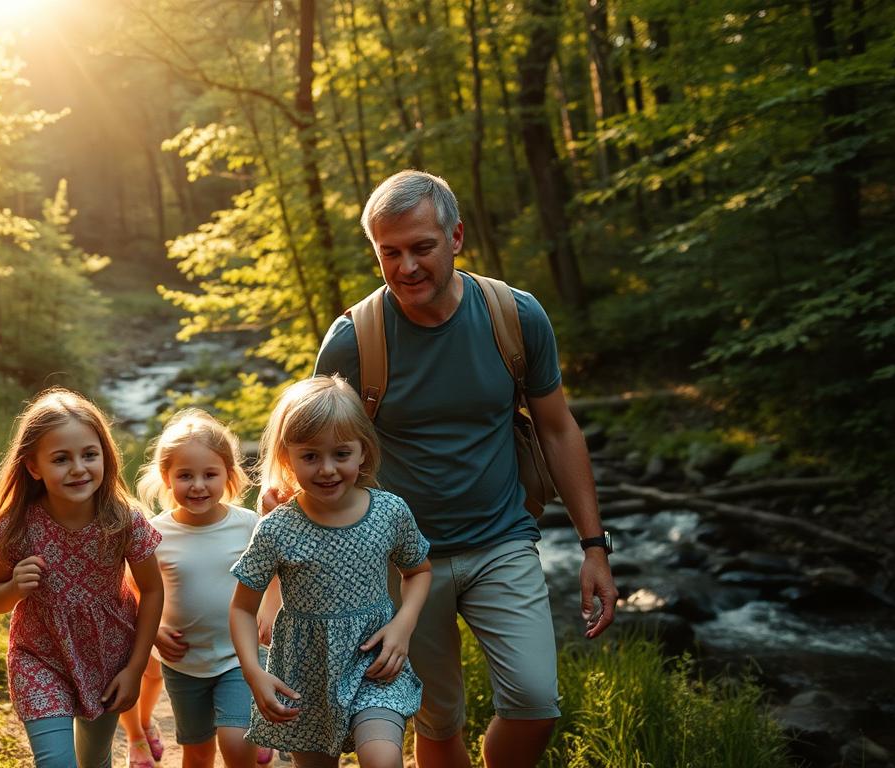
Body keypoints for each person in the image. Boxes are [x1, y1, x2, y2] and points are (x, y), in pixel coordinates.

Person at [309, 169, 618, 768]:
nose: (406, 267)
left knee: (535, 702)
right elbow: (317, 452)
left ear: (455, 238)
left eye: (421, 247)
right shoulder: (353, 340)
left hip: (503, 540)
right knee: (438, 715)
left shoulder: (514, 316)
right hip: (402, 560)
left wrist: (593, 548)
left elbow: (558, 428)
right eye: (389, 253)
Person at [231, 375, 433, 768]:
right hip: (305, 677)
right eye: (310, 456)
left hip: (374, 665)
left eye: (341, 454)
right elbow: (241, 607)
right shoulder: (276, 529)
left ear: (363, 451)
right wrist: (253, 672)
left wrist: (403, 625)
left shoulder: (390, 512)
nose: (327, 469)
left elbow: (419, 571)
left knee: (382, 760)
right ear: (287, 458)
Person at [0, 388, 164, 768]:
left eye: (89, 455)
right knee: (57, 762)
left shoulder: (123, 520)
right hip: (39, 658)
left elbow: (152, 589)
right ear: (34, 467)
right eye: (61, 459)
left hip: (108, 657)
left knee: (94, 759)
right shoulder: (15, 527)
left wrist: (135, 668)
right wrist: (12, 588)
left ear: (105, 455)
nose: (78, 468)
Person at [134, 408, 276, 768]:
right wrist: (154, 630)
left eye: (209, 474)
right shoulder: (155, 533)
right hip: (183, 661)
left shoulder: (249, 525)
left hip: (240, 656)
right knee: (197, 752)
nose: (198, 485)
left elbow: (276, 569)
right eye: (185, 475)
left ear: (228, 475)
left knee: (236, 741)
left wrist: (270, 608)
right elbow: (133, 589)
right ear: (167, 478)